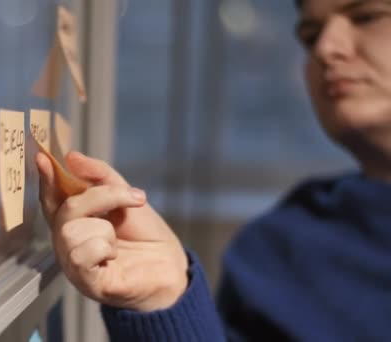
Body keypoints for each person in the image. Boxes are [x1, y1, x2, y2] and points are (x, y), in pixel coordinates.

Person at [36, 0, 391, 340]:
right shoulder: (275, 254)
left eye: (367, 16)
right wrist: (163, 303)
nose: (327, 48)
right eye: (311, 35)